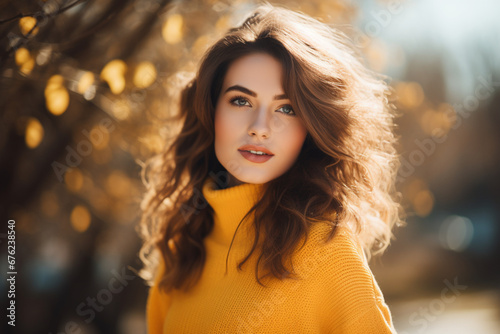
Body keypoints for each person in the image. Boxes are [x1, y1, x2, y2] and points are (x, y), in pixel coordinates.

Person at [137, 2, 404, 333]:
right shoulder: (181, 253)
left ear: (311, 127)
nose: (260, 127)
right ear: (211, 110)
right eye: (241, 101)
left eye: (287, 108)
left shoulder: (327, 251)